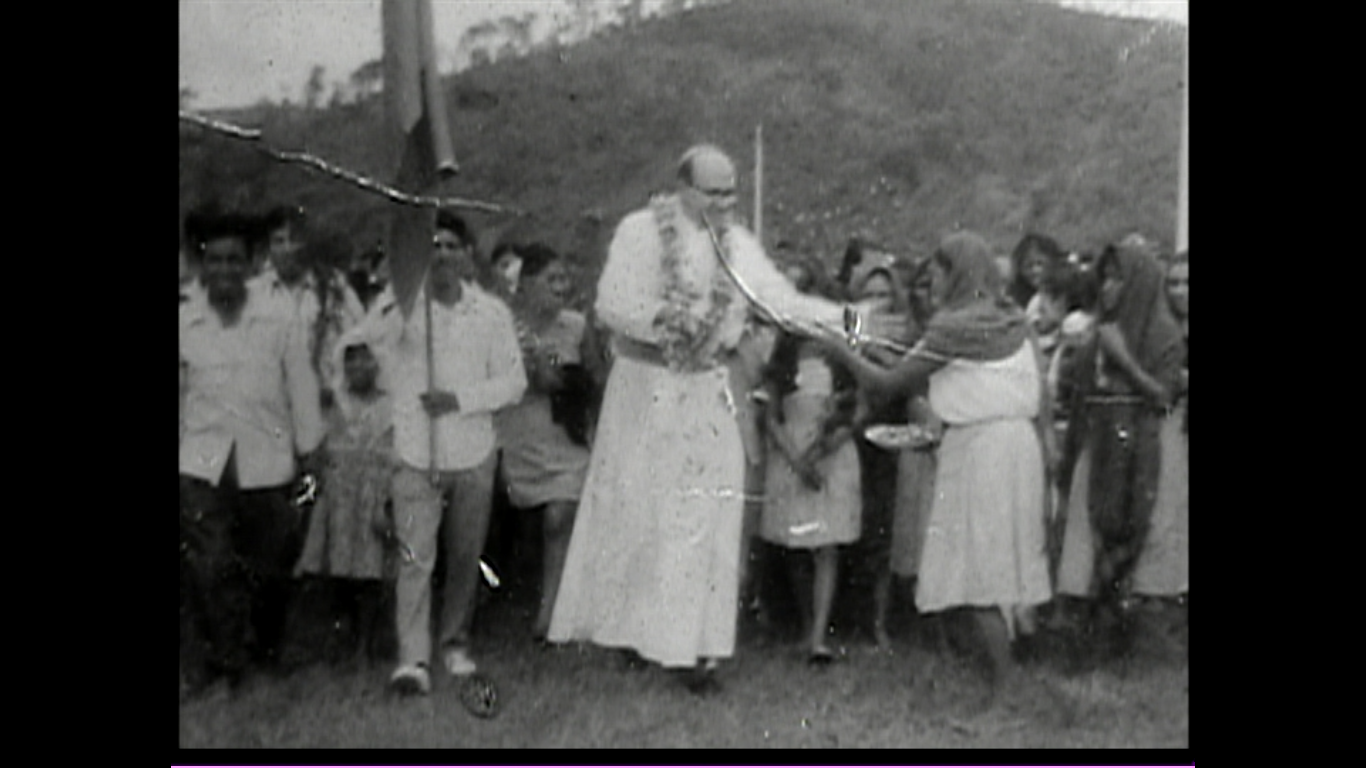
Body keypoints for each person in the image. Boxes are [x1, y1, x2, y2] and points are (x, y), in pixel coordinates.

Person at [546, 145, 851, 694]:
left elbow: (781, 300)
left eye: (731, 191)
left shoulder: (738, 242)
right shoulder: (640, 231)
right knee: (642, 516)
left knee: (704, 519)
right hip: (643, 390)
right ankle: (637, 636)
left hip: (707, 391)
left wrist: (850, 320)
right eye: (713, 192)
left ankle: (698, 653)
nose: (725, 202)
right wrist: (670, 322)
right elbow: (612, 303)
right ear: (682, 189)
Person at [815, 231, 1055, 702]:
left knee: (978, 575)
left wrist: (842, 350)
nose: (933, 282)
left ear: (958, 273)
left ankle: (1004, 691)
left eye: (939, 272)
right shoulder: (1012, 320)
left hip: (981, 453)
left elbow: (886, 386)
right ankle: (995, 682)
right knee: (987, 570)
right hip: (1013, 447)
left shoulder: (952, 326)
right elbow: (938, 373)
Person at [339, 210, 527, 696]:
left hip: (471, 451)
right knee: (415, 557)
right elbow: (359, 346)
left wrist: (460, 400)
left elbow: (514, 382)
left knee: (465, 555)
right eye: (433, 246)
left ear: (467, 256)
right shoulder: (402, 308)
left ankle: (455, 643)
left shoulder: (490, 313)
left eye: (451, 246)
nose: (442, 254)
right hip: (416, 451)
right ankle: (413, 659)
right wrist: (398, 294)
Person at [180, 211, 325, 696]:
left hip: (268, 460)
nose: (224, 270)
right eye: (215, 260)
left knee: (270, 569)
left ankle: (264, 655)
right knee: (211, 566)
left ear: (250, 265)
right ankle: (225, 665)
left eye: (234, 261)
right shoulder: (185, 319)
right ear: (202, 265)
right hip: (201, 461)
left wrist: (310, 450)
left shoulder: (277, 318)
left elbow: (301, 386)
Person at [1053, 240, 1184, 659]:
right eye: (1104, 278)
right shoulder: (1101, 329)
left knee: (1137, 542)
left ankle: (1129, 642)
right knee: (1083, 541)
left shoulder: (1163, 334)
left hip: (1143, 453)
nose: (1107, 287)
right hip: (1099, 450)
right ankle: (1087, 637)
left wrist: (1123, 358)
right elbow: (1078, 393)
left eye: (1117, 278)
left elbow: (1162, 396)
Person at [494, 243, 600, 640]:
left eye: (564, 279)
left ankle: (549, 614)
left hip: (565, 439)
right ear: (525, 286)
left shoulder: (575, 326)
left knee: (559, 517)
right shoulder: (503, 325)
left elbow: (592, 379)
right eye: (551, 279)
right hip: (516, 437)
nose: (561, 286)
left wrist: (555, 373)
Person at [759, 317, 861, 664]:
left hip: (832, 454)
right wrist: (797, 460)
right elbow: (771, 417)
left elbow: (859, 409)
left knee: (826, 547)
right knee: (797, 546)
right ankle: (806, 626)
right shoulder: (782, 360)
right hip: (792, 454)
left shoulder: (841, 356)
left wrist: (831, 442)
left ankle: (819, 638)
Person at [293, 342, 396, 666]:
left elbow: (399, 454)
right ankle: (346, 637)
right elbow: (319, 446)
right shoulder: (335, 403)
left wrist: (388, 501)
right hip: (339, 495)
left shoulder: (391, 405)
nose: (358, 369)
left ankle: (365, 645)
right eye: (351, 364)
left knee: (370, 570)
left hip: (374, 493)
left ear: (377, 365)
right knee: (339, 569)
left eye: (365, 362)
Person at [845, 255, 916, 651]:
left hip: (887, 439)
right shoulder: (848, 330)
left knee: (883, 530)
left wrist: (877, 352)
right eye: (869, 294)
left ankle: (880, 621)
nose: (877, 301)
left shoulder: (904, 333)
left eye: (884, 295)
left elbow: (907, 377)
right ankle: (852, 618)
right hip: (852, 437)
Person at [249, 206, 367, 397]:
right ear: (268, 247)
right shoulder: (254, 295)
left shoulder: (334, 288)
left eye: (294, 240)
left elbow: (362, 341)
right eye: (279, 241)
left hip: (328, 409)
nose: (288, 249)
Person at [1128, 251, 1188, 619]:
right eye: (1174, 283)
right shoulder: (1160, 328)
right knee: (1167, 507)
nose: (1181, 290)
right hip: (1170, 422)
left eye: (1188, 283)